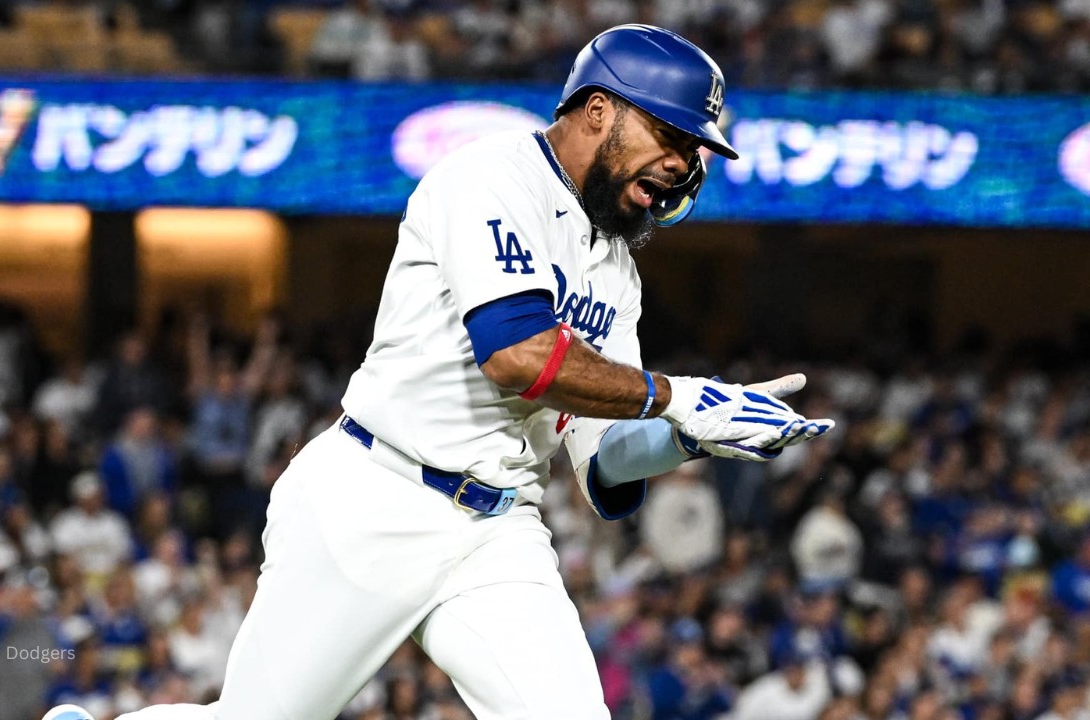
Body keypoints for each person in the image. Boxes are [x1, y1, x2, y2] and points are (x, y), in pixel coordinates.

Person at [47, 23, 833, 720]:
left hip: (498, 532)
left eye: (695, 148)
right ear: (599, 110)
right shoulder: (490, 176)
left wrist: (693, 435)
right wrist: (677, 396)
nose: (686, 163)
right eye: (673, 134)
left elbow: (602, 463)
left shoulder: (617, 271)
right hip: (376, 496)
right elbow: (517, 356)